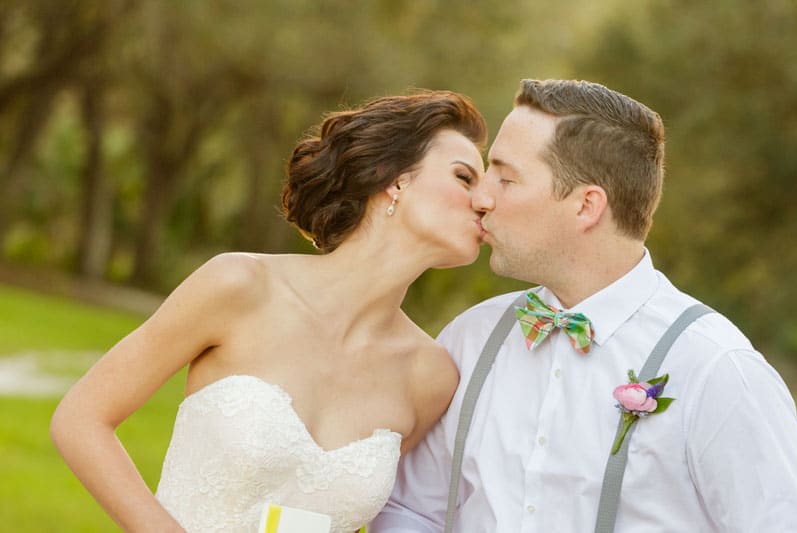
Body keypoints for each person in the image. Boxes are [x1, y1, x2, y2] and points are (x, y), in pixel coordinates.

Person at [50, 90, 488, 533]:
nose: (485, 200)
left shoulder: (430, 378)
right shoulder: (239, 286)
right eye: (464, 177)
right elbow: (81, 419)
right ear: (394, 179)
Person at [372, 79, 797, 532]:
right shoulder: (469, 339)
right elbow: (411, 511)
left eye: (506, 177)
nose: (481, 197)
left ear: (586, 206)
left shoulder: (716, 368)